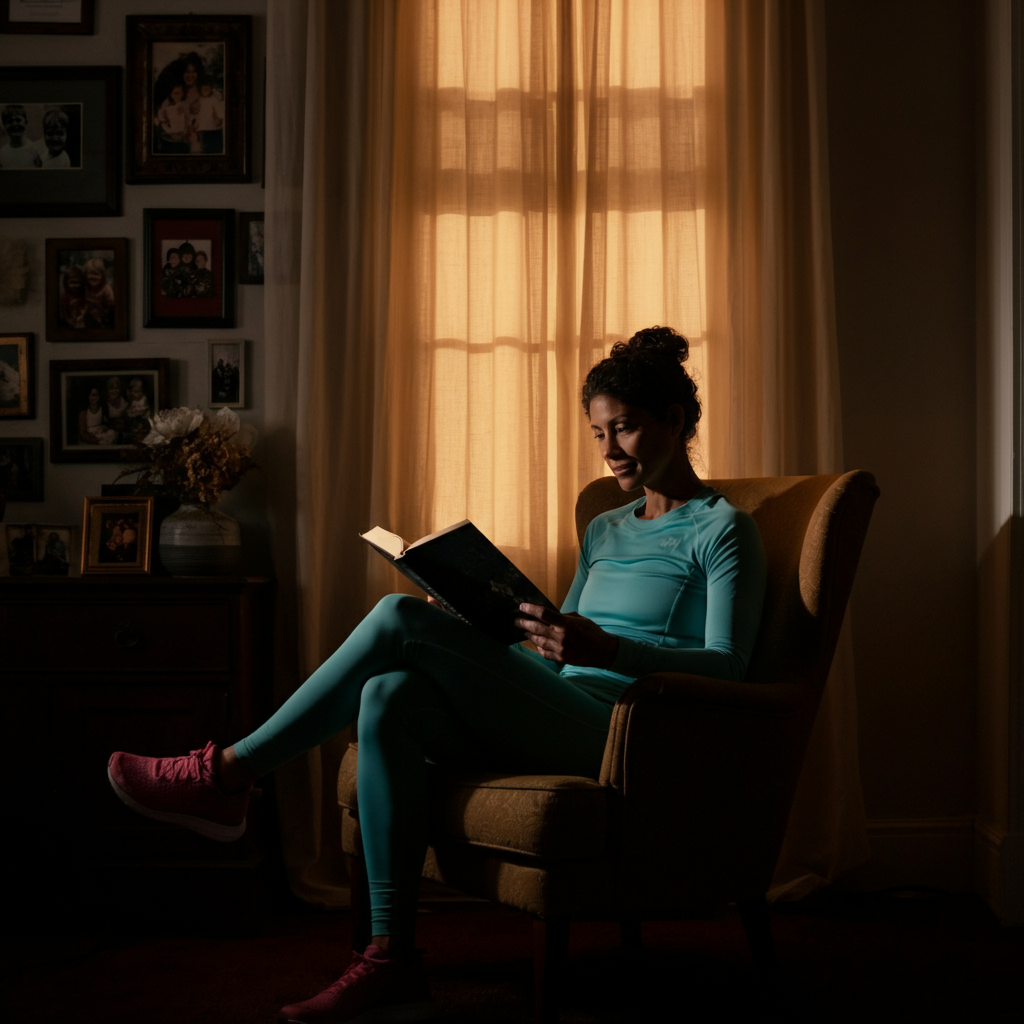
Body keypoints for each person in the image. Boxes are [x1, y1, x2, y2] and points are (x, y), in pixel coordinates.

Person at [107, 326, 768, 1024]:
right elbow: (554, 644)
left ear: (677, 420)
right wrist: (480, 624)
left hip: (627, 732)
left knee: (395, 618)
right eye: (598, 432)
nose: (608, 451)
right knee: (388, 693)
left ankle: (227, 776)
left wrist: (611, 653)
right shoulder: (606, 527)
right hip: (559, 705)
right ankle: (391, 959)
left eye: (626, 429)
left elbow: (732, 668)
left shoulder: (723, 531)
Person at [82, 257, 115, 329]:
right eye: (90, 274)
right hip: (89, 317)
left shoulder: (106, 289)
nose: (93, 277)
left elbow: (112, 306)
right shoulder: (85, 287)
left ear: (102, 275)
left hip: (105, 320)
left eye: (96, 274)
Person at [59, 264, 87, 330]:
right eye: (72, 283)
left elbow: (86, 305)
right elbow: (64, 311)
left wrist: (83, 315)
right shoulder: (64, 295)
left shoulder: (83, 293)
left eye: (77, 283)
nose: (75, 285)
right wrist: (69, 321)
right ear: (66, 283)